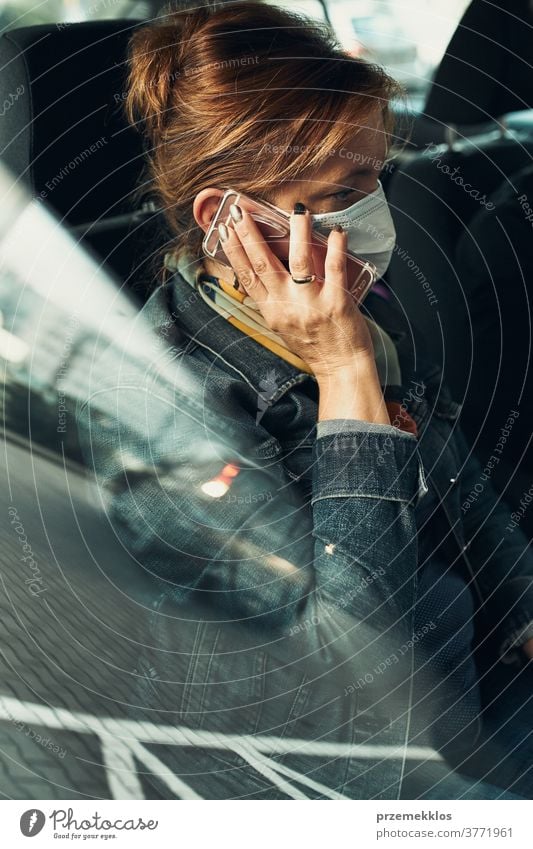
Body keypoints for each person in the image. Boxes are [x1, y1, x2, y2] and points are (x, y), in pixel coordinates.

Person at [77, 1, 533, 800]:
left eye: (375, 178)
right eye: (339, 191)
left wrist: (522, 600)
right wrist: (345, 374)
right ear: (228, 219)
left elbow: (451, 471)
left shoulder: (332, 302)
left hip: (472, 680)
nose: (370, 212)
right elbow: (345, 686)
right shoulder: (162, 415)